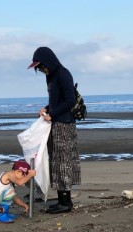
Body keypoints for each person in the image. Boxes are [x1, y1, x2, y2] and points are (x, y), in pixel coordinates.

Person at [28, 46, 81, 214]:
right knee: (56, 162)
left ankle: (66, 203)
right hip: (56, 124)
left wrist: (52, 113)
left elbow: (70, 100)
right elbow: (56, 101)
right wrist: (46, 109)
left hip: (65, 125)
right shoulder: (51, 76)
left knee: (64, 162)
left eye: (41, 66)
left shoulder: (63, 73)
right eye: (39, 68)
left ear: (48, 62)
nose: (42, 70)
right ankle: (61, 201)